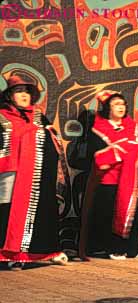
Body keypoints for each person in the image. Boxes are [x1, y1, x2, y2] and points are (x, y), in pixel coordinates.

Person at [0, 75, 69, 270]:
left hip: (35, 175)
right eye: (19, 91)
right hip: (9, 172)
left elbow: (52, 143)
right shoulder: (2, 116)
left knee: (38, 213)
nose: (24, 95)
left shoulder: (39, 117)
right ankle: (8, 253)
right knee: (7, 212)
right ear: (10, 96)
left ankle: (32, 252)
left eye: (27, 92)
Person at [78, 90, 138, 260]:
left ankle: (133, 248)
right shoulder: (98, 129)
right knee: (110, 214)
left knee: (130, 212)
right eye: (116, 104)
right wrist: (122, 150)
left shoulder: (131, 125)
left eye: (122, 104)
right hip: (109, 179)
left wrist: (130, 148)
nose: (120, 107)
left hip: (130, 177)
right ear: (107, 108)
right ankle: (111, 249)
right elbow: (96, 155)